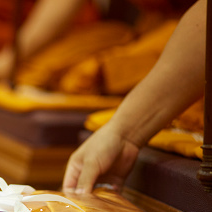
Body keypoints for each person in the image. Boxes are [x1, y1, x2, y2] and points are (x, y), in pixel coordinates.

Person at [62, 0, 205, 193]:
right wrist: (120, 132)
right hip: (165, 34)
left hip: (187, 34)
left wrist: (123, 130)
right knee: (81, 72)